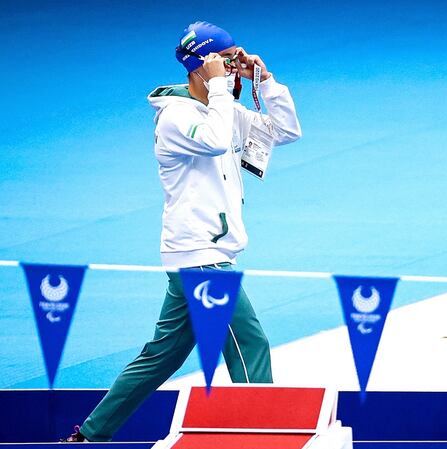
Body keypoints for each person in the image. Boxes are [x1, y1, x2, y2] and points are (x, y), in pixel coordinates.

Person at [63, 21, 301, 442]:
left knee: (161, 356)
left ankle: (89, 436)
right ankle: (265, 437)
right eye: (223, 61)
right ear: (199, 68)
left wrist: (265, 81)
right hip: (200, 257)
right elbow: (212, 140)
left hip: (202, 253)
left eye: (233, 60)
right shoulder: (176, 118)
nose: (231, 68)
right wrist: (222, 90)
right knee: (249, 344)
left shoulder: (221, 109)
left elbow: (285, 132)